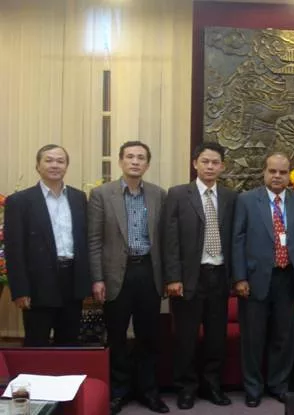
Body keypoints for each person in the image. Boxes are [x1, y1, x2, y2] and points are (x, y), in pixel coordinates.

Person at [88, 141, 169, 414]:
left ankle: (149, 391)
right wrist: (97, 278)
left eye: (141, 157)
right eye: (130, 157)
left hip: (148, 272)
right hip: (115, 275)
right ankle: (119, 391)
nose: (135, 161)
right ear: (121, 161)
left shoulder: (158, 194)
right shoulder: (102, 194)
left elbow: (165, 240)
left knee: (149, 335)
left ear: (147, 164)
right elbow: (94, 240)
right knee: (117, 335)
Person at [232, 152, 294, 407]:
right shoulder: (246, 200)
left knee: (283, 337)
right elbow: (237, 240)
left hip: (287, 278)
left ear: (289, 175)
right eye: (272, 171)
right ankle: (253, 388)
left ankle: (279, 385)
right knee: (253, 338)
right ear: (264, 172)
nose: (277, 176)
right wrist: (240, 277)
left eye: (283, 172)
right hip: (254, 279)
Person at [162, 142, 237, 410]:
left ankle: (212, 385)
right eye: (205, 161)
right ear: (195, 164)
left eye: (215, 162)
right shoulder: (178, 194)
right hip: (188, 278)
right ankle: (186, 388)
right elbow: (170, 239)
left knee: (216, 337)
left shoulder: (230, 197)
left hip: (219, 276)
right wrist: (173, 277)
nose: (210, 167)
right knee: (186, 337)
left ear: (222, 166)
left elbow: (235, 238)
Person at [4, 144, 90, 346]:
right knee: (37, 343)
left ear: (66, 166)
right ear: (38, 166)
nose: (55, 165)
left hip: (72, 281)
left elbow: (84, 241)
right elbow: (14, 249)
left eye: (60, 161)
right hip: (38, 284)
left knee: (69, 343)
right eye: (49, 160)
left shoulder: (78, 198)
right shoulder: (19, 201)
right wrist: (20, 290)